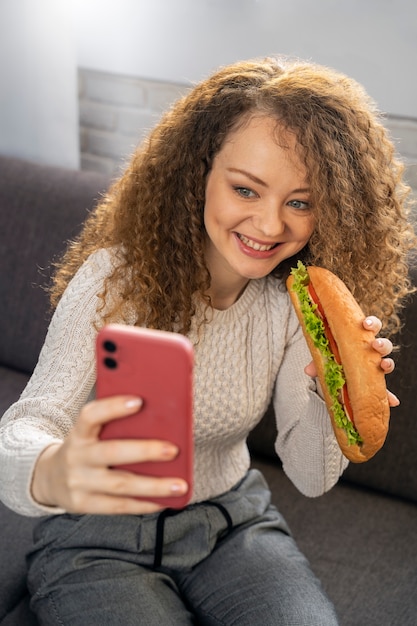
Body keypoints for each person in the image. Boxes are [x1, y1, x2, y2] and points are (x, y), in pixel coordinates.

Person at [0, 57, 415, 625]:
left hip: (232, 525)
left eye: (300, 202)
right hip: (97, 535)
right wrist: (51, 468)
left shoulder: (294, 305)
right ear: (198, 172)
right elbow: (27, 423)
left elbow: (311, 478)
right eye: (246, 189)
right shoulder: (114, 281)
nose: (270, 226)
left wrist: (332, 391)